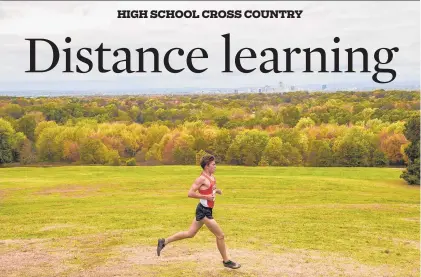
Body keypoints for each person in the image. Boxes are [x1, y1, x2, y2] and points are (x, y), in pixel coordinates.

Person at [156, 154, 241, 269]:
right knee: (220, 235)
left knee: (190, 234)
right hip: (204, 211)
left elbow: (209, 189)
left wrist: (217, 191)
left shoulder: (212, 177)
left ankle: (164, 241)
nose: (215, 166)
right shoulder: (201, 179)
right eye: (213, 164)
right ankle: (226, 261)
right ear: (207, 166)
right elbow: (190, 193)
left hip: (205, 209)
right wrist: (206, 198)